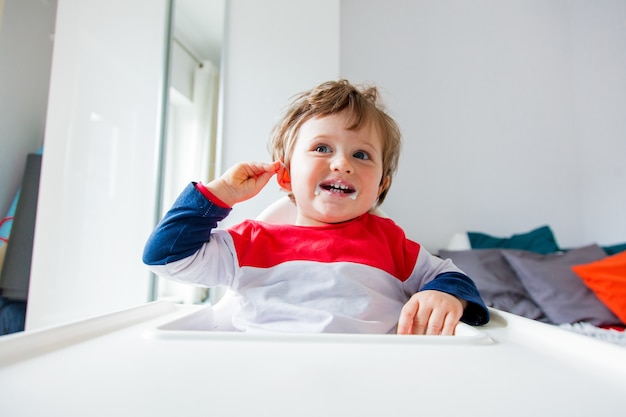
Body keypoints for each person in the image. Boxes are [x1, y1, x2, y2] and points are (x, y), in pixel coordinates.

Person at [143, 79, 489, 334]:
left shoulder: (390, 242)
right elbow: (166, 258)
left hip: (372, 378)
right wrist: (220, 194)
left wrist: (445, 296)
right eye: (322, 148)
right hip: (262, 375)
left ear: (381, 185)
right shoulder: (249, 243)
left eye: (361, 154)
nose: (342, 163)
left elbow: (452, 277)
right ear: (286, 175)